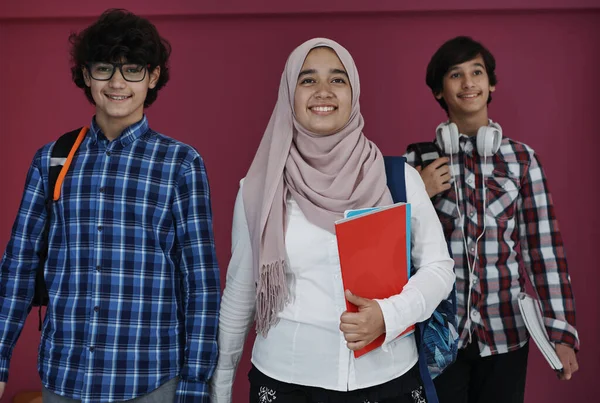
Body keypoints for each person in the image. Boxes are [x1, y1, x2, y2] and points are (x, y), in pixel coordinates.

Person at [210, 37, 455, 403]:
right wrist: (220, 386)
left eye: (337, 79)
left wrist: (389, 315)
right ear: (289, 94)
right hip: (287, 380)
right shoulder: (258, 188)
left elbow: (439, 268)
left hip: (389, 377)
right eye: (307, 80)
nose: (323, 91)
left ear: (353, 92)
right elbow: (241, 293)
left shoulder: (398, 178)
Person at [0, 9, 220, 403]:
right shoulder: (51, 160)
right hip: (64, 378)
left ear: (152, 77)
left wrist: (195, 383)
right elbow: (18, 267)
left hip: (151, 382)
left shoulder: (181, 164)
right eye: (104, 68)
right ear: (86, 75)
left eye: (132, 69)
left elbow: (200, 285)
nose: (117, 82)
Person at [405, 36, 579, 403]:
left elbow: (542, 251)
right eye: (455, 74)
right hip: (439, 334)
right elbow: (393, 250)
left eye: (477, 72)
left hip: (505, 333)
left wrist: (561, 333)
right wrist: (416, 190)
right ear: (439, 90)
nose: (468, 83)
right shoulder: (416, 162)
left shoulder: (522, 160)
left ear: (491, 84)